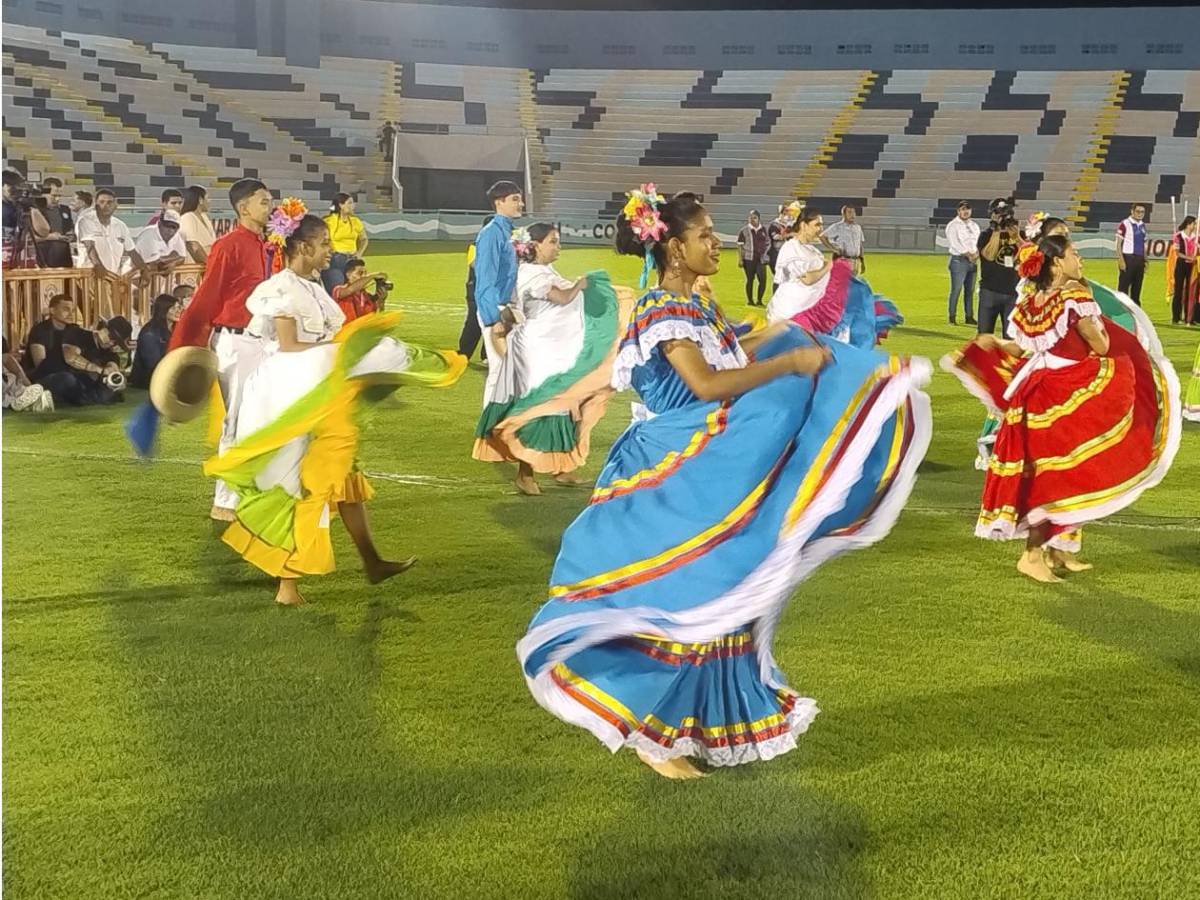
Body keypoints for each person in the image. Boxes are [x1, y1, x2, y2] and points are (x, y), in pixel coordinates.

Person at [517, 189, 932, 778]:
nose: (720, 243)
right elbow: (709, 385)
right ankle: (647, 735)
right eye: (706, 235)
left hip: (706, 458)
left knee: (725, 595)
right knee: (684, 594)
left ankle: (689, 730)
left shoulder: (697, 307)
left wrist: (807, 344)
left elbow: (738, 352)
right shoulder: (662, 309)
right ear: (675, 249)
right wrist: (790, 364)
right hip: (673, 468)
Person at [203, 213, 465, 606]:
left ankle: (372, 561)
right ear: (303, 247)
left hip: (320, 392)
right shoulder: (280, 288)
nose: (331, 251)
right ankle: (287, 587)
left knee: (344, 479)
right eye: (324, 243)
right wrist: (343, 354)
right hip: (294, 395)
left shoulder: (314, 287)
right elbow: (289, 347)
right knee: (301, 485)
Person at [942, 234, 1180, 582]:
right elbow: (1100, 345)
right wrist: (1102, 328)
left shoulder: (1031, 301)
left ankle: (1059, 550)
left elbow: (1020, 349)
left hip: (1036, 390)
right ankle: (1032, 555)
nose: (1079, 261)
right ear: (1056, 263)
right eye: (1073, 255)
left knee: (1069, 468)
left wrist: (991, 342)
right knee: (1062, 474)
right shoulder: (1074, 297)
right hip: (1068, 389)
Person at [473, 223, 622, 495]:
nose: (558, 246)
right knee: (538, 408)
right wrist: (582, 283)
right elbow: (563, 298)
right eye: (553, 241)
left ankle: (562, 468)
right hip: (535, 353)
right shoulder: (530, 274)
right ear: (536, 245)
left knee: (564, 404)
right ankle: (525, 475)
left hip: (553, 349)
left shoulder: (543, 270)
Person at [167, 178, 274, 520]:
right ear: (244, 208)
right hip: (237, 340)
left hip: (264, 341)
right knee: (239, 419)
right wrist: (186, 343)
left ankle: (253, 489)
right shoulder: (228, 245)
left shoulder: (268, 245)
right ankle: (225, 502)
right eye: (264, 202)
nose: (270, 207)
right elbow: (208, 295)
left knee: (262, 418)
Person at [769, 208, 901, 348]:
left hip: (813, 308)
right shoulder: (792, 248)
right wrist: (830, 266)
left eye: (821, 225)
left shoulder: (810, 249)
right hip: (796, 312)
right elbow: (807, 279)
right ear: (803, 225)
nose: (820, 229)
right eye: (817, 225)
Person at [473, 181, 525, 407]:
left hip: (508, 308)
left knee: (511, 369)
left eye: (519, 198)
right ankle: (487, 428)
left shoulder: (510, 232)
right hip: (496, 309)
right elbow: (485, 279)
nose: (520, 203)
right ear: (499, 202)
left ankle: (502, 422)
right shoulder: (491, 233)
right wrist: (494, 318)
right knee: (498, 370)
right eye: (514, 199)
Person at [40, 316, 133, 406]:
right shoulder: (77, 333)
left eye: (116, 342)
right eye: (111, 336)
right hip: (54, 375)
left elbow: (113, 368)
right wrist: (98, 369)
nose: (112, 342)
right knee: (67, 379)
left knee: (105, 390)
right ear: (103, 327)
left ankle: (79, 399)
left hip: (81, 386)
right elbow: (70, 357)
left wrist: (116, 380)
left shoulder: (111, 354)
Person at [76, 189, 148, 283]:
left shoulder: (121, 225)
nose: (106, 205)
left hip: (112, 278)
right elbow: (90, 246)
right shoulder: (86, 221)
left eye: (110, 202)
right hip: (89, 277)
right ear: (96, 205)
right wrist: (98, 265)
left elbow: (132, 251)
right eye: (102, 202)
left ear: (115, 206)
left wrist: (144, 269)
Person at [976, 203, 1022, 337]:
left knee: (1010, 337)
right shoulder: (985, 235)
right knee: (984, 337)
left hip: (1013, 292)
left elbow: (1027, 257)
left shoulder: (1020, 235)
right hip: (989, 291)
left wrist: (1016, 237)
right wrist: (997, 232)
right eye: (998, 214)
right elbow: (989, 256)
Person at [457, 214, 494, 363]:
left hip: (494, 290)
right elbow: (474, 264)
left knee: (493, 321)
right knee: (473, 321)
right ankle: (464, 354)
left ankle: (488, 355)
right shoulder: (475, 245)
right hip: (477, 289)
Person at [129, 294, 180, 389]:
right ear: (163, 310)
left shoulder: (176, 328)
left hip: (169, 374)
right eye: (173, 308)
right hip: (149, 380)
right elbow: (153, 365)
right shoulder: (149, 333)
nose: (178, 311)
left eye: (178, 308)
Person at [321, 193, 369, 293]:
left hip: (353, 261)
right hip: (335, 260)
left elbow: (364, 239)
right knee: (337, 291)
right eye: (350, 203)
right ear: (341, 205)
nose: (353, 206)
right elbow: (323, 239)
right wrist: (331, 250)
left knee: (355, 292)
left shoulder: (355, 221)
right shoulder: (329, 221)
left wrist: (359, 253)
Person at [24, 293, 76, 381]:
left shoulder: (74, 329)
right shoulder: (39, 330)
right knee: (68, 379)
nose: (71, 314)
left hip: (69, 372)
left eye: (72, 310)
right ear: (52, 310)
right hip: (42, 377)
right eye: (66, 309)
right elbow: (40, 365)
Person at [946, 200, 980, 325]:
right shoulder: (953, 225)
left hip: (972, 260)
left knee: (970, 290)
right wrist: (968, 253)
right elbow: (954, 243)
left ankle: (969, 316)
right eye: (963, 209)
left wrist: (976, 253)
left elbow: (977, 241)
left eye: (967, 209)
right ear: (958, 211)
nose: (966, 212)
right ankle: (952, 316)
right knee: (956, 289)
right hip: (958, 260)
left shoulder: (974, 225)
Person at [29, 177, 74, 268]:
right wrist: (50, 237)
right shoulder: (34, 211)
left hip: (64, 259)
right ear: (44, 194)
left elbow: (70, 228)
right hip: (43, 258)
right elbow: (28, 239)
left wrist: (71, 235)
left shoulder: (65, 209)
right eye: (54, 195)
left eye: (59, 196)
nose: (57, 199)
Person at [331, 257, 389, 321]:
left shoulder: (367, 297)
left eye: (365, 273)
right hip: (344, 329)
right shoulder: (338, 290)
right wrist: (372, 276)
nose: (364, 276)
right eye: (360, 273)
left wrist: (381, 301)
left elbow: (377, 318)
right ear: (348, 275)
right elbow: (350, 290)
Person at [132, 209, 187, 274]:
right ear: (159, 224)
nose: (170, 230)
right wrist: (174, 257)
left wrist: (174, 263)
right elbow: (155, 264)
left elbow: (182, 258)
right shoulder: (148, 234)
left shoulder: (176, 236)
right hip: (135, 276)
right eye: (167, 226)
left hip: (159, 279)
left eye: (174, 227)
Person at [1115, 203, 1149, 306]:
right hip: (1128, 258)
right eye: (1138, 211)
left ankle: (1136, 313)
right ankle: (1121, 311)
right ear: (1132, 211)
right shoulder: (1125, 224)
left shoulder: (1142, 225)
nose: (1140, 214)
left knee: (1137, 288)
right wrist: (1121, 260)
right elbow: (1118, 244)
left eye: (1142, 212)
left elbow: (1144, 244)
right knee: (1123, 288)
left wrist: (1146, 260)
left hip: (1139, 260)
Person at [736, 210, 770, 307]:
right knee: (750, 279)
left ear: (759, 218)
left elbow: (768, 242)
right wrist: (740, 259)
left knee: (763, 280)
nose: (752, 219)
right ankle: (750, 301)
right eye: (750, 217)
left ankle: (759, 300)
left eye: (754, 217)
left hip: (761, 259)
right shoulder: (744, 230)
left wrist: (766, 254)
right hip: (749, 259)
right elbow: (740, 246)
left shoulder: (764, 230)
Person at [1169, 215, 1198, 325]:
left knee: (1190, 292)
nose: (1195, 226)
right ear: (1188, 224)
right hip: (1181, 265)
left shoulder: (1196, 237)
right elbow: (1177, 253)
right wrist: (1189, 257)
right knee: (1179, 291)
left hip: (1192, 266)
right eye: (1194, 224)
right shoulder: (1178, 236)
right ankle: (1176, 317)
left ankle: (1189, 317)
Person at [822, 205, 866, 276]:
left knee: (853, 285)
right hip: (843, 260)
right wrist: (833, 249)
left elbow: (860, 245)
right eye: (849, 212)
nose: (852, 215)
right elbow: (823, 237)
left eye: (853, 212)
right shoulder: (837, 226)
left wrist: (862, 261)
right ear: (843, 214)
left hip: (856, 261)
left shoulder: (858, 227)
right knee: (843, 284)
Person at [179, 186, 216, 265]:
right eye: (207, 198)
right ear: (200, 200)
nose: (210, 201)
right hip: (195, 268)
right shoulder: (187, 217)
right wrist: (210, 265)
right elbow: (193, 246)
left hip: (210, 263)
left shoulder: (205, 217)